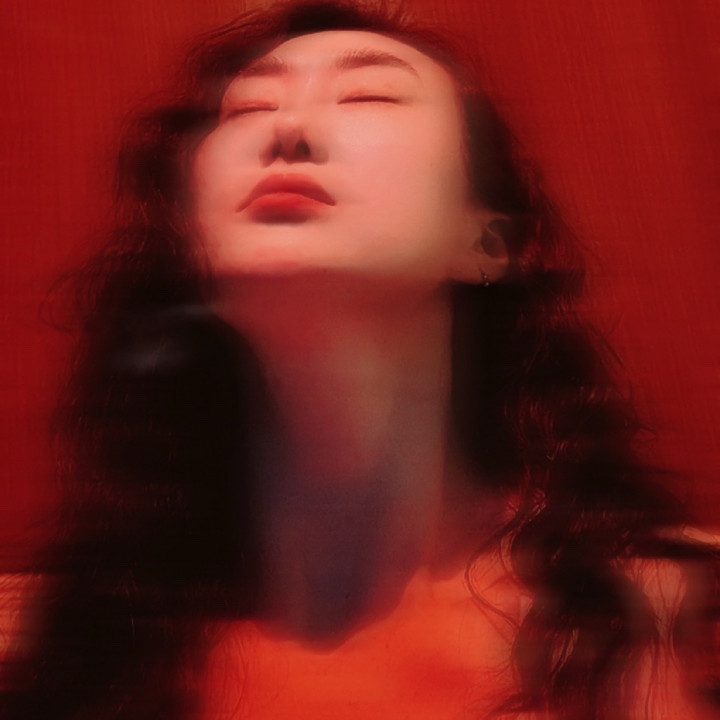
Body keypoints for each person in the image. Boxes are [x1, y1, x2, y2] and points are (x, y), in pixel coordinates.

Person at [2, 1, 719, 719]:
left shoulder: (653, 620)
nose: (288, 128)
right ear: (188, 242)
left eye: (368, 94)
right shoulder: (89, 644)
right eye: (246, 107)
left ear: (487, 241)